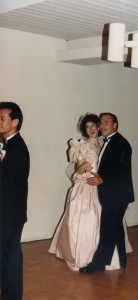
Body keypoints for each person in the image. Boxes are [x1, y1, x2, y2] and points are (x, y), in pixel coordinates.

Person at [48, 113, 132, 271]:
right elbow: (78, 168)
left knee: (110, 224)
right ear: (84, 130)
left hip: (104, 187)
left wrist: (103, 179)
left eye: (95, 125)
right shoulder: (82, 145)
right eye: (88, 126)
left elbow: (116, 168)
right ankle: (95, 258)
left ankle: (111, 259)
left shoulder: (106, 142)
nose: (92, 128)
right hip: (88, 185)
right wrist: (84, 166)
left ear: (114, 125)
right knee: (99, 223)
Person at [79, 112, 135, 274]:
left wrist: (102, 179)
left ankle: (98, 264)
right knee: (115, 227)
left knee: (107, 229)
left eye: (106, 123)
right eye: (101, 123)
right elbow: (109, 166)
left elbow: (122, 169)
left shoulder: (121, 143)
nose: (102, 125)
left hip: (117, 194)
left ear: (115, 125)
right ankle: (122, 260)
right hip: (113, 193)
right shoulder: (108, 142)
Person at [0, 102, 30, 300]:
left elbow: (8, 184)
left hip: (10, 213)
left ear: (15, 122)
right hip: (4, 211)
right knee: (3, 255)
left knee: (10, 256)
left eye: (2, 118)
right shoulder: (5, 143)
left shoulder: (18, 149)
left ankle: (13, 296)